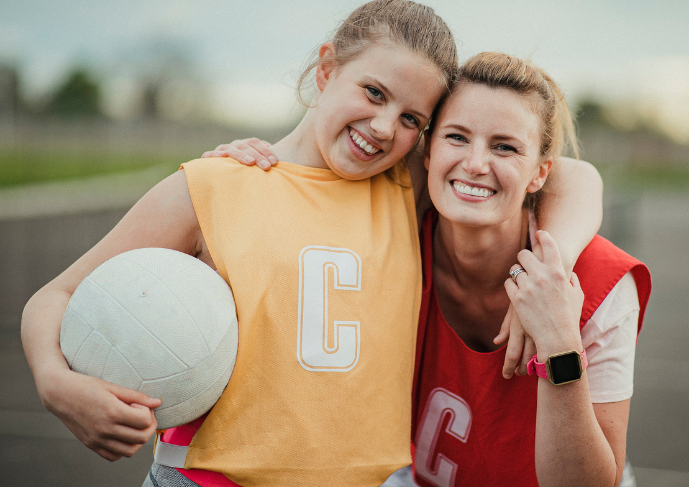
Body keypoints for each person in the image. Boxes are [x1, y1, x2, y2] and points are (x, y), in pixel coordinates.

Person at [20, 2, 603, 486]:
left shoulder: (404, 187)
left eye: (411, 120)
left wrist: (546, 272)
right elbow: (57, 295)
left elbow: (575, 176)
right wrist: (55, 382)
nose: (383, 127)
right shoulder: (213, 185)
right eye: (373, 92)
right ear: (326, 70)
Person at [222, 52, 651, 486]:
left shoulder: (600, 282)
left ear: (540, 173)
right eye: (457, 137)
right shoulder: (393, 234)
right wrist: (251, 169)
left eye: (504, 146)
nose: (475, 164)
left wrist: (559, 339)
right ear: (427, 151)